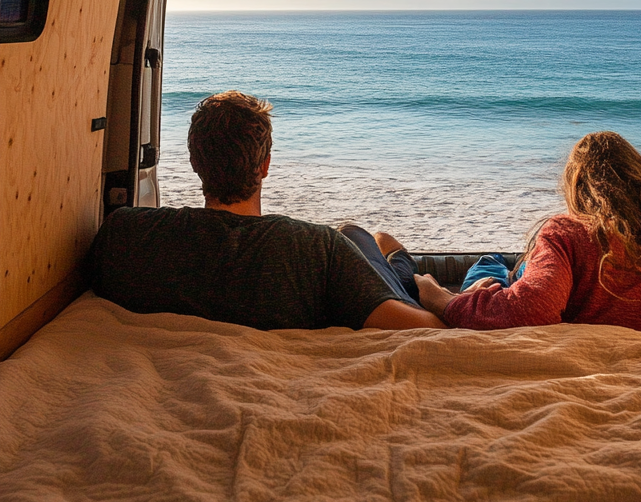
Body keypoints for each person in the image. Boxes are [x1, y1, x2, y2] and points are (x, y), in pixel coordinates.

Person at [88, 91, 442, 331]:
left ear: (195, 162)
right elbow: (424, 327)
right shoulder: (318, 248)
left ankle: (394, 259)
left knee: (363, 239)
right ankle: (405, 268)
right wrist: (433, 294)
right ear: (266, 165)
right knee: (360, 235)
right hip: (356, 262)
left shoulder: (128, 231)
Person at [415, 131, 641, 333]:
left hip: (545, 282)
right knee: (519, 268)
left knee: (490, 266)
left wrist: (443, 300)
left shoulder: (567, 233)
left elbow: (531, 311)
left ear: (579, 186)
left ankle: (494, 270)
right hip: (560, 277)